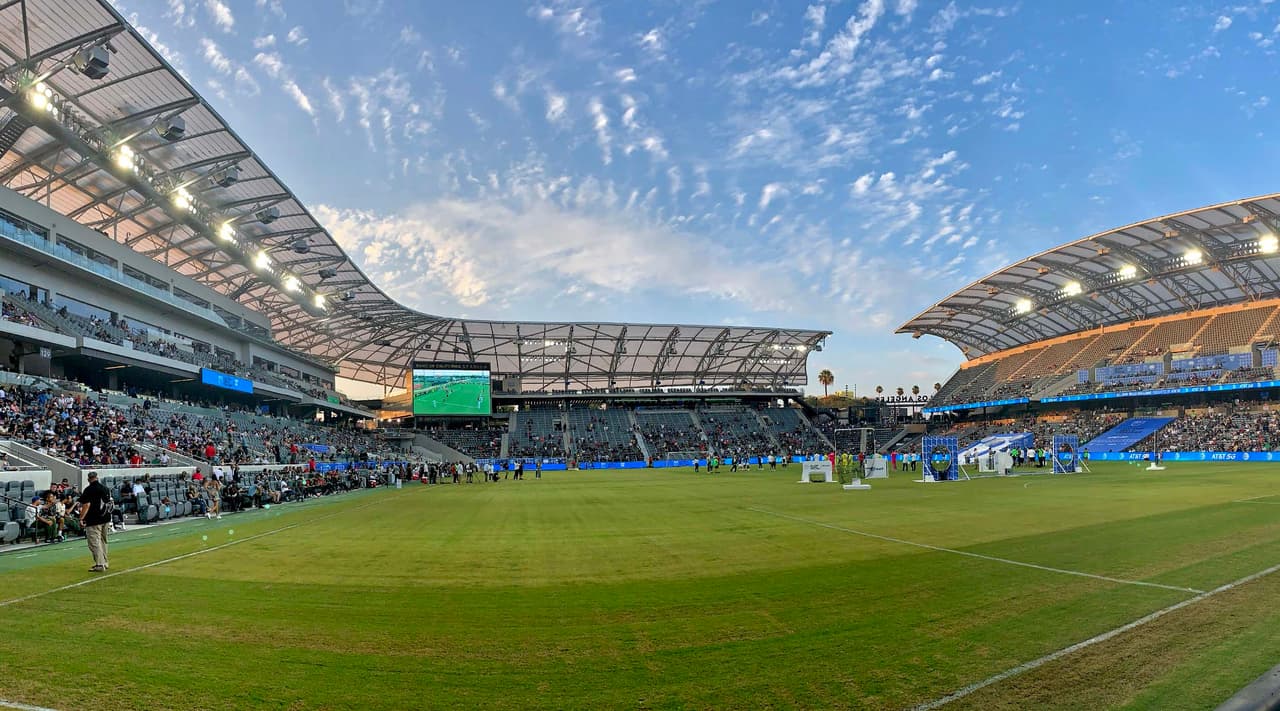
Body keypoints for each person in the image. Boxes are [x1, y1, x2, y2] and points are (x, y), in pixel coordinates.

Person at [77, 472, 113, 572]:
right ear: (97, 477)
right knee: (103, 541)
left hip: (93, 520)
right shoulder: (105, 488)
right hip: (105, 518)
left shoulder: (88, 490)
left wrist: (81, 518)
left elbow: (86, 505)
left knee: (94, 543)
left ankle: (100, 564)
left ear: (89, 479)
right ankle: (105, 562)